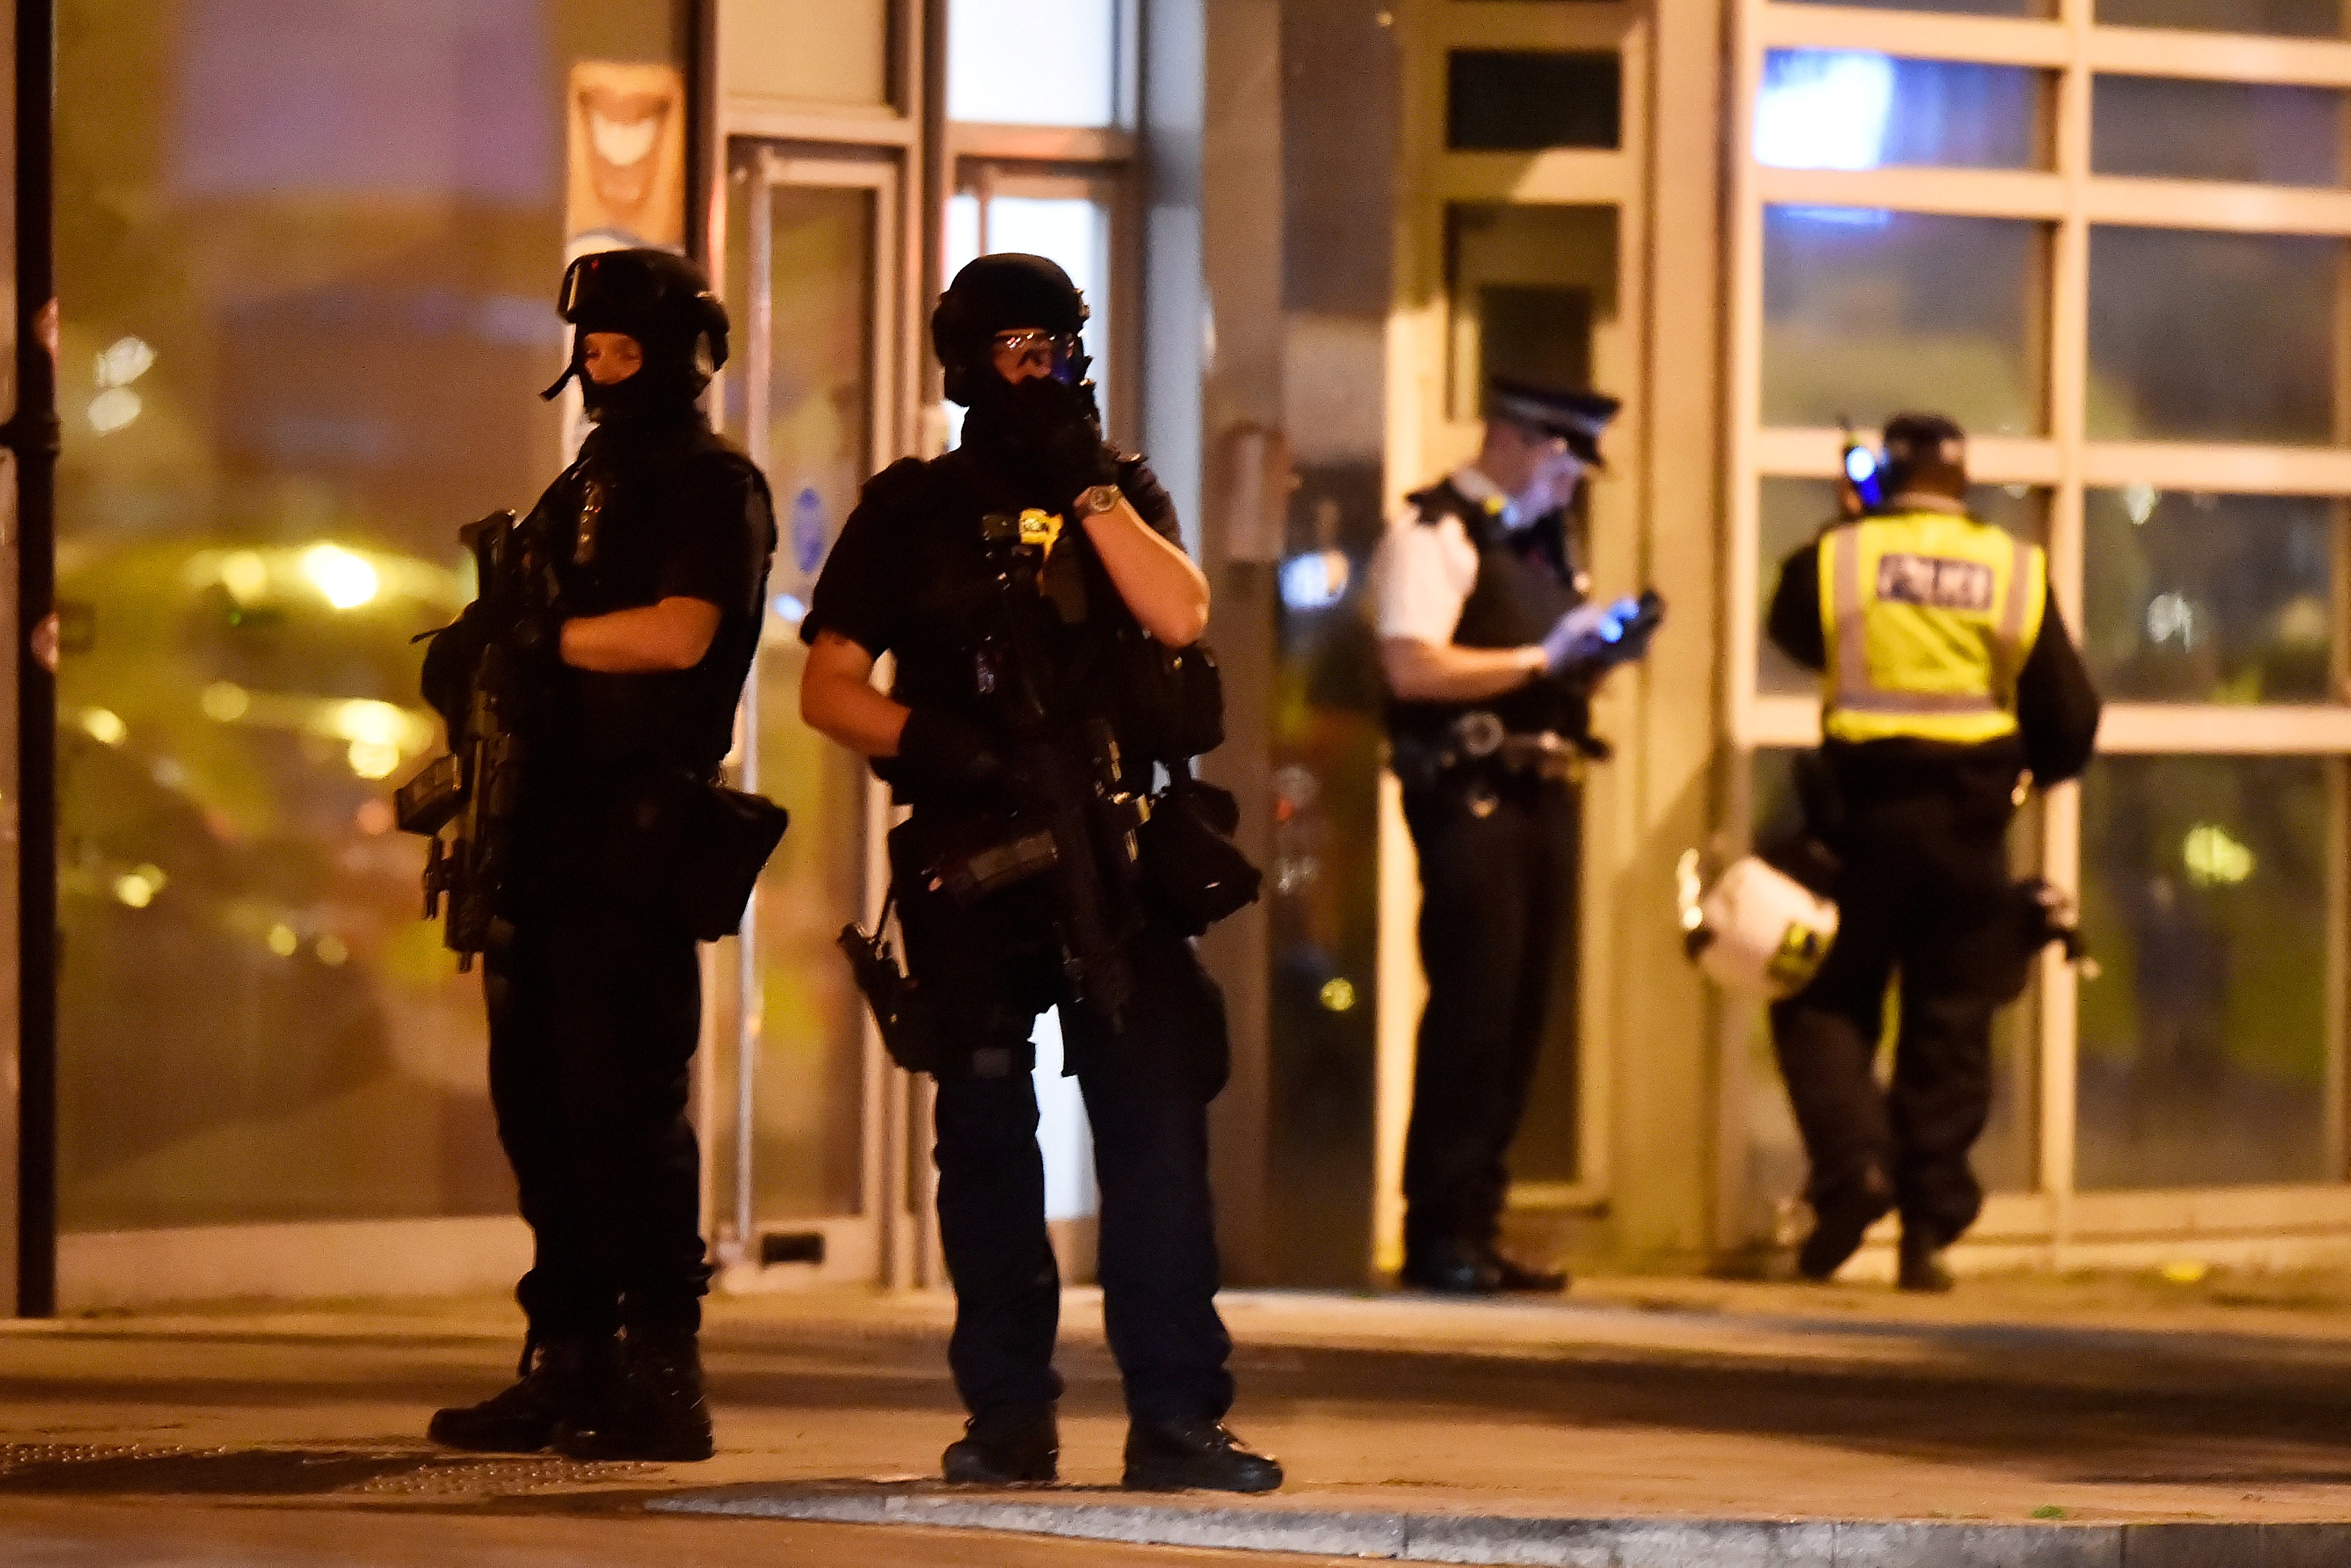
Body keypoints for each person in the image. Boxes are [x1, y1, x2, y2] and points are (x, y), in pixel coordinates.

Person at [799, 254, 1282, 1494]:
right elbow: (828, 686)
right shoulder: (910, 511)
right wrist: (937, 742)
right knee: (985, 1146)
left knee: (1156, 1142)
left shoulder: (1115, 489)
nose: (1033, 369)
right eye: (1009, 350)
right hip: (975, 862)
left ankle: (1177, 1417)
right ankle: (1007, 1415)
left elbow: (1178, 619)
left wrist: (1088, 485)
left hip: (1112, 864)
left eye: (1050, 348)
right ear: (964, 362)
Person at [424, 248, 777, 1461]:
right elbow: (530, 626)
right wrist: (480, 647)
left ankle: (658, 1369)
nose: (596, 373)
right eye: (589, 352)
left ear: (676, 356)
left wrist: (545, 641)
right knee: (542, 1111)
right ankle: (565, 1356)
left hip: (634, 836)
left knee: (624, 1108)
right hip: (545, 835)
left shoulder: (708, 484)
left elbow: (683, 637)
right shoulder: (586, 479)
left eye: (621, 352)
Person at [1765, 412, 2099, 1292]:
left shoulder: (1840, 556)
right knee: (1950, 1025)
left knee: (1821, 1000)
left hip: (1860, 826)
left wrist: (1852, 518)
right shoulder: (2014, 569)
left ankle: (1855, 1170)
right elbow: (2069, 717)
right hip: (1969, 833)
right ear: (1964, 479)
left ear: (1884, 471)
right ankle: (1927, 1233)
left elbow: (1794, 633)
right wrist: (2023, 777)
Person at [1372, 377, 1629, 1297]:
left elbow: (1543, 667)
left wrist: (1592, 658)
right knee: (1473, 1010)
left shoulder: (1540, 545)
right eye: (1564, 464)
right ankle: (1438, 1231)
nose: (1571, 487)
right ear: (1513, 440)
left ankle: (1479, 1224)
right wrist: (1537, 659)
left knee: (1521, 1017)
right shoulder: (1436, 531)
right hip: (1469, 792)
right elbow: (1412, 665)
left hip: (1541, 787)